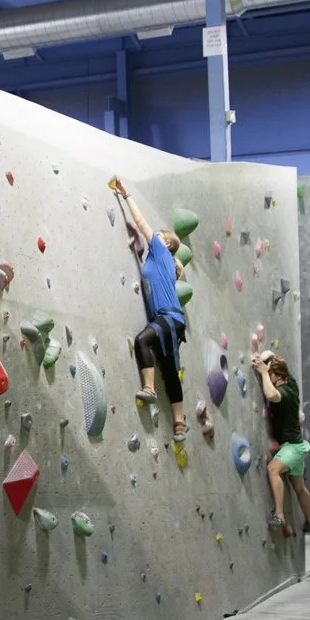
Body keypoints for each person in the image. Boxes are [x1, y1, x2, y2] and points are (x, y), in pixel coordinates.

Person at [109, 176, 188, 443]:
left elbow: (142, 225)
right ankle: (179, 424)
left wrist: (127, 196)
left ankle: (149, 389)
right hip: (169, 319)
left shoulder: (162, 252)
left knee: (143, 340)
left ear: (166, 244)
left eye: (161, 237)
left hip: (169, 316)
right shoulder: (161, 261)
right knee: (169, 369)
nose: (156, 237)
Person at [253, 351, 310, 534]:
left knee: (273, 469)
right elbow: (270, 352)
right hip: (297, 445)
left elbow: (272, 396)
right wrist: (264, 361)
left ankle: (279, 515)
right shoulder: (291, 382)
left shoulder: (285, 392)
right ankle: (309, 521)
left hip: (292, 447)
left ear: (278, 377)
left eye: (271, 375)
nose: (269, 377)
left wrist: (263, 373)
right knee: (299, 486)